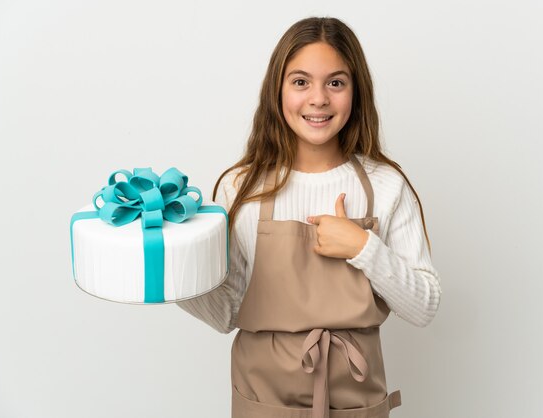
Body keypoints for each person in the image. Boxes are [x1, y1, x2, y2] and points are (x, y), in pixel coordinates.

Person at [177, 16, 442, 418]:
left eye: (335, 82)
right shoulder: (242, 187)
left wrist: (363, 247)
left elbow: (424, 307)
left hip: (356, 399)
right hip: (262, 399)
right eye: (300, 82)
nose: (318, 98)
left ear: (356, 92)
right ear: (277, 91)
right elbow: (228, 311)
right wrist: (171, 271)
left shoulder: (385, 185)